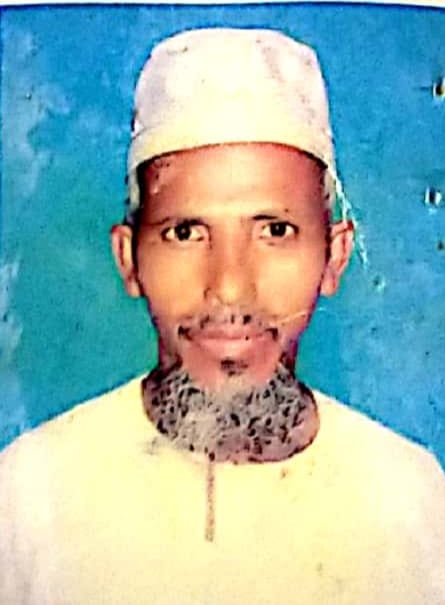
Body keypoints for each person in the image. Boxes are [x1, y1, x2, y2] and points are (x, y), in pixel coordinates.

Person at [1, 27, 444, 605]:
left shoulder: (413, 502)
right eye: (185, 232)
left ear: (334, 256)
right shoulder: (26, 498)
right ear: (129, 259)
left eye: (275, 230)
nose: (230, 288)